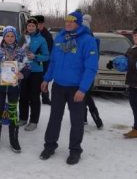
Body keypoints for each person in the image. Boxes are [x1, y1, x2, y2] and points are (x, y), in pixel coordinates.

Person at [39, 10, 99, 165]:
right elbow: (53, 61)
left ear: (78, 23)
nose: (68, 23)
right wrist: (47, 79)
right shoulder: (59, 37)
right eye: (66, 21)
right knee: (54, 118)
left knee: (77, 121)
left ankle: (75, 150)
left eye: (71, 21)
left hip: (76, 88)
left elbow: (91, 68)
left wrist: (83, 89)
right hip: (58, 86)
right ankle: (50, 146)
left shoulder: (87, 40)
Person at [0, 26, 30, 153]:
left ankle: (14, 140)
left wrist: (23, 74)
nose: (10, 38)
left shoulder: (21, 52)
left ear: (15, 37)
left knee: (12, 112)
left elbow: (27, 66)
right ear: (4, 37)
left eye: (12, 36)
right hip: (0, 85)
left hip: (14, 86)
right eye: (7, 36)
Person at [19, 18, 49, 131]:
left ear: (36, 27)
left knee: (34, 97)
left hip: (36, 72)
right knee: (22, 96)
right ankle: (22, 118)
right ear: (26, 27)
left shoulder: (41, 40)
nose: (30, 28)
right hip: (23, 70)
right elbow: (17, 50)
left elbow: (46, 56)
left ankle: (33, 121)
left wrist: (35, 57)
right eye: (29, 26)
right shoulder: (22, 37)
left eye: (33, 26)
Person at [81, 14, 103, 129]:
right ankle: (86, 118)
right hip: (84, 72)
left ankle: (97, 120)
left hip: (87, 72)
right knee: (85, 97)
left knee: (86, 96)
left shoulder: (91, 40)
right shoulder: (92, 37)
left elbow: (93, 57)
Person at [34, 15, 53, 105]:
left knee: (44, 78)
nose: (39, 26)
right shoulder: (31, 34)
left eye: (40, 24)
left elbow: (49, 50)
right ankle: (35, 95)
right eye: (37, 24)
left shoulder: (47, 35)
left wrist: (38, 55)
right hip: (33, 62)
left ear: (43, 24)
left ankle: (45, 97)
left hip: (44, 62)